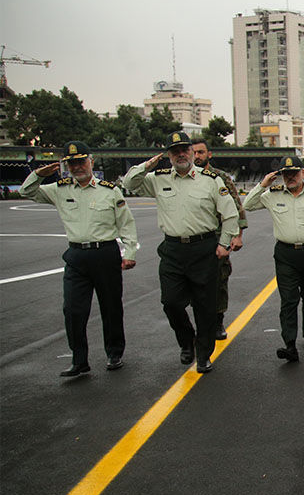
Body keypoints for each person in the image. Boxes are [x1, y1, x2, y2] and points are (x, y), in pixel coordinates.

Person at [123, 131, 239, 373]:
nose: (181, 154)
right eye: (175, 151)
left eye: (184, 149)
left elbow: (230, 214)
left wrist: (224, 243)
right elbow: (128, 184)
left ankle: (204, 354)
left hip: (204, 248)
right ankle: (187, 342)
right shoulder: (158, 178)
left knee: (205, 306)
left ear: (190, 151)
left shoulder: (210, 179)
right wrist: (146, 165)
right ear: (169, 155)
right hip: (173, 249)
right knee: (171, 303)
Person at [19, 141, 138, 376]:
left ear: (90, 161)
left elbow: (126, 224)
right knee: (73, 310)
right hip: (76, 256)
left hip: (105, 253)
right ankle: (79, 359)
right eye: (71, 163)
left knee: (111, 308)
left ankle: (114, 353)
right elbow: (27, 192)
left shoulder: (109, 190)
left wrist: (130, 253)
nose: (76, 167)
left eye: (80, 161)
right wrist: (38, 174)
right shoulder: (59, 189)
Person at [243, 156, 304, 362]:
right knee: (288, 300)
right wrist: (263, 184)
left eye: (294, 173)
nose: (290, 177)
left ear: (303, 173)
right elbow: (247, 205)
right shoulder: (272, 195)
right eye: (286, 174)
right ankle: (290, 344)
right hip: (285, 254)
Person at [191, 138, 246, 340]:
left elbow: (236, 206)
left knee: (219, 280)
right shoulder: (186, 178)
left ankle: (218, 321)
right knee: (194, 284)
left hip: (218, 238)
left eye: (201, 152)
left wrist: (238, 236)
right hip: (195, 238)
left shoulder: (221, 177)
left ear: (209, 154)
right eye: (194, 153)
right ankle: (202, 323)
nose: (197, 156)